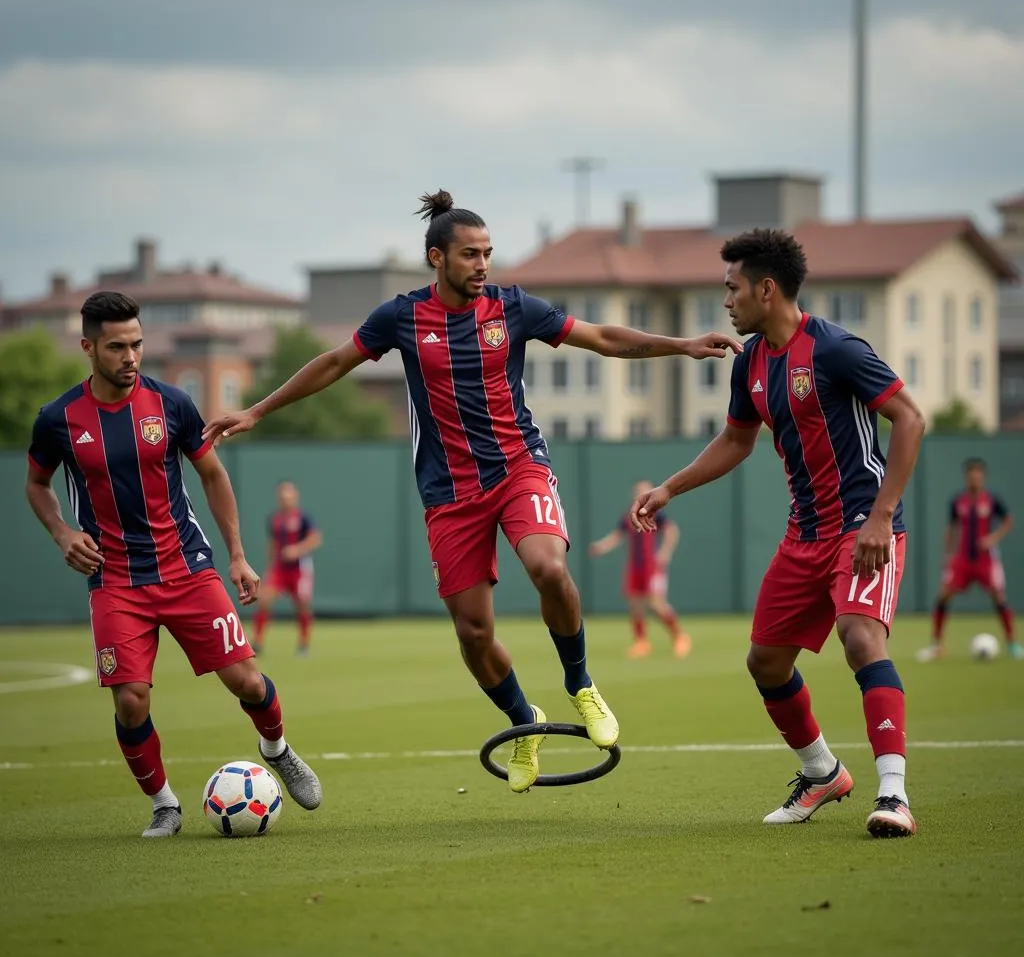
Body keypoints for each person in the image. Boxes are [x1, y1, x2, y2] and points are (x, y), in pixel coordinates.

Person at [203, 189, 740, 793]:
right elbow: (332, 363)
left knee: (547, 567)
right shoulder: (402, 317)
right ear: (437, 258)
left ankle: (582, 685)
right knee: (473, 633)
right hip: (447, 493)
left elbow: (603, 338)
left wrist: (681, 345)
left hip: (518, 468)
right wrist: (256, 410)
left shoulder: (514, 308)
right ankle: (524, 721)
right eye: (469, 254)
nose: (483, 265)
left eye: (488, 253)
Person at [631, 228, 926, 838]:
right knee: (764, 661)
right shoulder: (752, 363)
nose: (727, 301)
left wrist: (881, 515)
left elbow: (910, 418)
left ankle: (893, 796)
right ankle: (822, 773)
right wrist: (668, 489)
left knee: (861, 638)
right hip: (805, 535)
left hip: (862, 529)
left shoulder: (838, 349)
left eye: (733, 288)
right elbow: (736, 442)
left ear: (767, 289)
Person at [25, 291, 322, 837]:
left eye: (137, 344)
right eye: (117, 347)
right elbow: (37, 485)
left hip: (186, 567)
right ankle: (164, 803)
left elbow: (212, 475)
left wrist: (235, 555)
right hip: (114, 580)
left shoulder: (171, 405)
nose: (131, 357)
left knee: (247, 682)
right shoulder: (58, 419)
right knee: (131, 700)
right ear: (88, 346)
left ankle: (277, 749)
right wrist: (61, 531)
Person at [919, 458, 1022, 662]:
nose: (974, 477)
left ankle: (1012, 644)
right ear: (966, 476)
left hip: (986, 559)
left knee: (999, 598)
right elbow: (952, 529)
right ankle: (936, 645)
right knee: (943, 596)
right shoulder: (958, 501)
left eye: (978, 474)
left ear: (982, 476)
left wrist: (992, 538)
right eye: (971, 474)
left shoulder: (992, 500)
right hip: (962, 559)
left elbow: (1008, 520)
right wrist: (948, 555)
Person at [589, 480, 691, 658]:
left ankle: (679, 637)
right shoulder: (628, 516)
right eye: (638, 491)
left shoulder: (657, 514)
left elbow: (672, 531)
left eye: (644, 490)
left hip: (652, 567)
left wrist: (665, 552)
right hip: (634, 567)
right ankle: (641, 643)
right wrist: (601, 547)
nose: (640, 494)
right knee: (635, 605)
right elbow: (617, 536)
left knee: (656, 604)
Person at [253, 481, 323, 656]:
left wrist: (297, 550)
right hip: (279, 568)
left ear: (295, 497)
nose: (286, 500)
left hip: (299, 569)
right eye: (283, 496)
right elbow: (272, 545)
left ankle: (304, 643)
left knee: (302, 605)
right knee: (265, 599)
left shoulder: (303, 517)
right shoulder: (274, 519)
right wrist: (269, 567)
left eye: (289, 496)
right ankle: (258, 642)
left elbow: (315, 539)